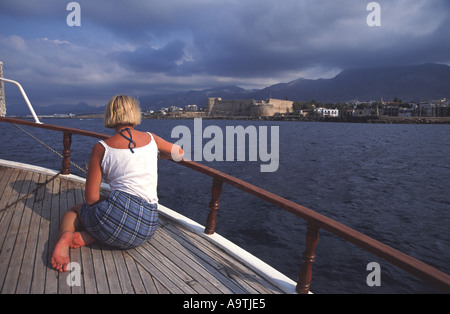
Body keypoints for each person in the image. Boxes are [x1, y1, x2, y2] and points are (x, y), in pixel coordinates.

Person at [51, 95, 184, 272]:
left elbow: (90, 199)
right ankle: (96, 234)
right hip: (147, 228)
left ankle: (66, 238)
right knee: (115, 212)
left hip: (119, 221)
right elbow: (179, 153)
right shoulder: (152, 139)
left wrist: (106, 210)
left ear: (110, 115)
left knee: (74, 210)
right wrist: (156, 154)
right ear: (135, 114)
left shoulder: (102, 148)